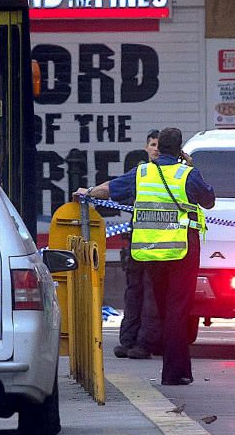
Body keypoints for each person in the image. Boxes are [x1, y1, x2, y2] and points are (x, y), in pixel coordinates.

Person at [78, 128, 214, 385]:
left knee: (165, 310)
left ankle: (182, 370)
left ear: (159, 148)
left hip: (150, 253)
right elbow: (208, 201)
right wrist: (192, 167)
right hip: (182, 252)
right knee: (177, 311)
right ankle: (174, 374)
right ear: (180, 150)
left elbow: (111, 189)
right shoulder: (187, 174)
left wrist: (88, 192)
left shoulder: (142, 173)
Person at [114, 129, 163, 360]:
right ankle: (128, 341)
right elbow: (114, 188)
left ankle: (144, 344)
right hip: (139, 243)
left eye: (159, 145)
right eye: (152, 144)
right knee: (133, 292)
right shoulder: (141, 172)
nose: (155, 148)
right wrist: (91, 192)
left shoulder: (175, 173)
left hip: (163, 247)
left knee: (150, 295)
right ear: (146, 147)